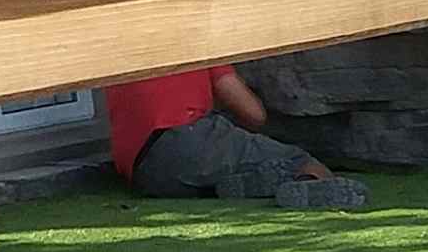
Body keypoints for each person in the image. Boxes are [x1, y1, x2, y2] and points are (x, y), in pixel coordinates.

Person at [103, 65, 369, 211]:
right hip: (188, 138)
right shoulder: (196, 40)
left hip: (143, 170)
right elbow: (253, 115)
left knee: (211, 172)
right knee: (302, 161)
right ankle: (306, 180)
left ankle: (248, 185)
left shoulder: (128, 44)